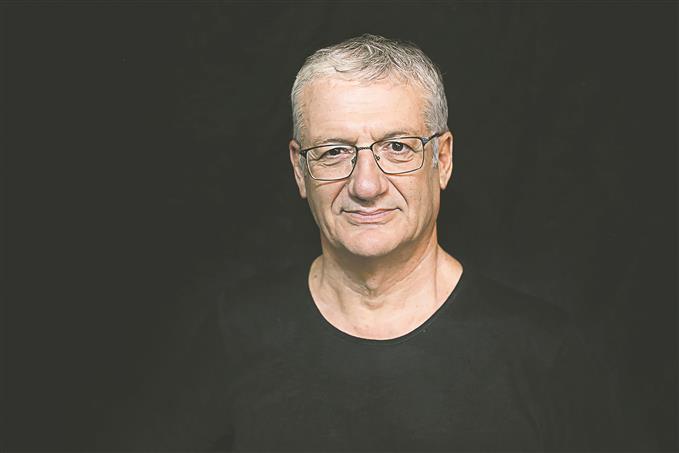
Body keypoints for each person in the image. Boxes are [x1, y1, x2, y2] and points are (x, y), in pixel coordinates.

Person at [110, 34, 616, 451]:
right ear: (299, 169)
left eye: (397, 147)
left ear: (442, 160)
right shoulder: (235, 333)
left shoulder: (544, 352)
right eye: (334, 152)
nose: (366, 185)